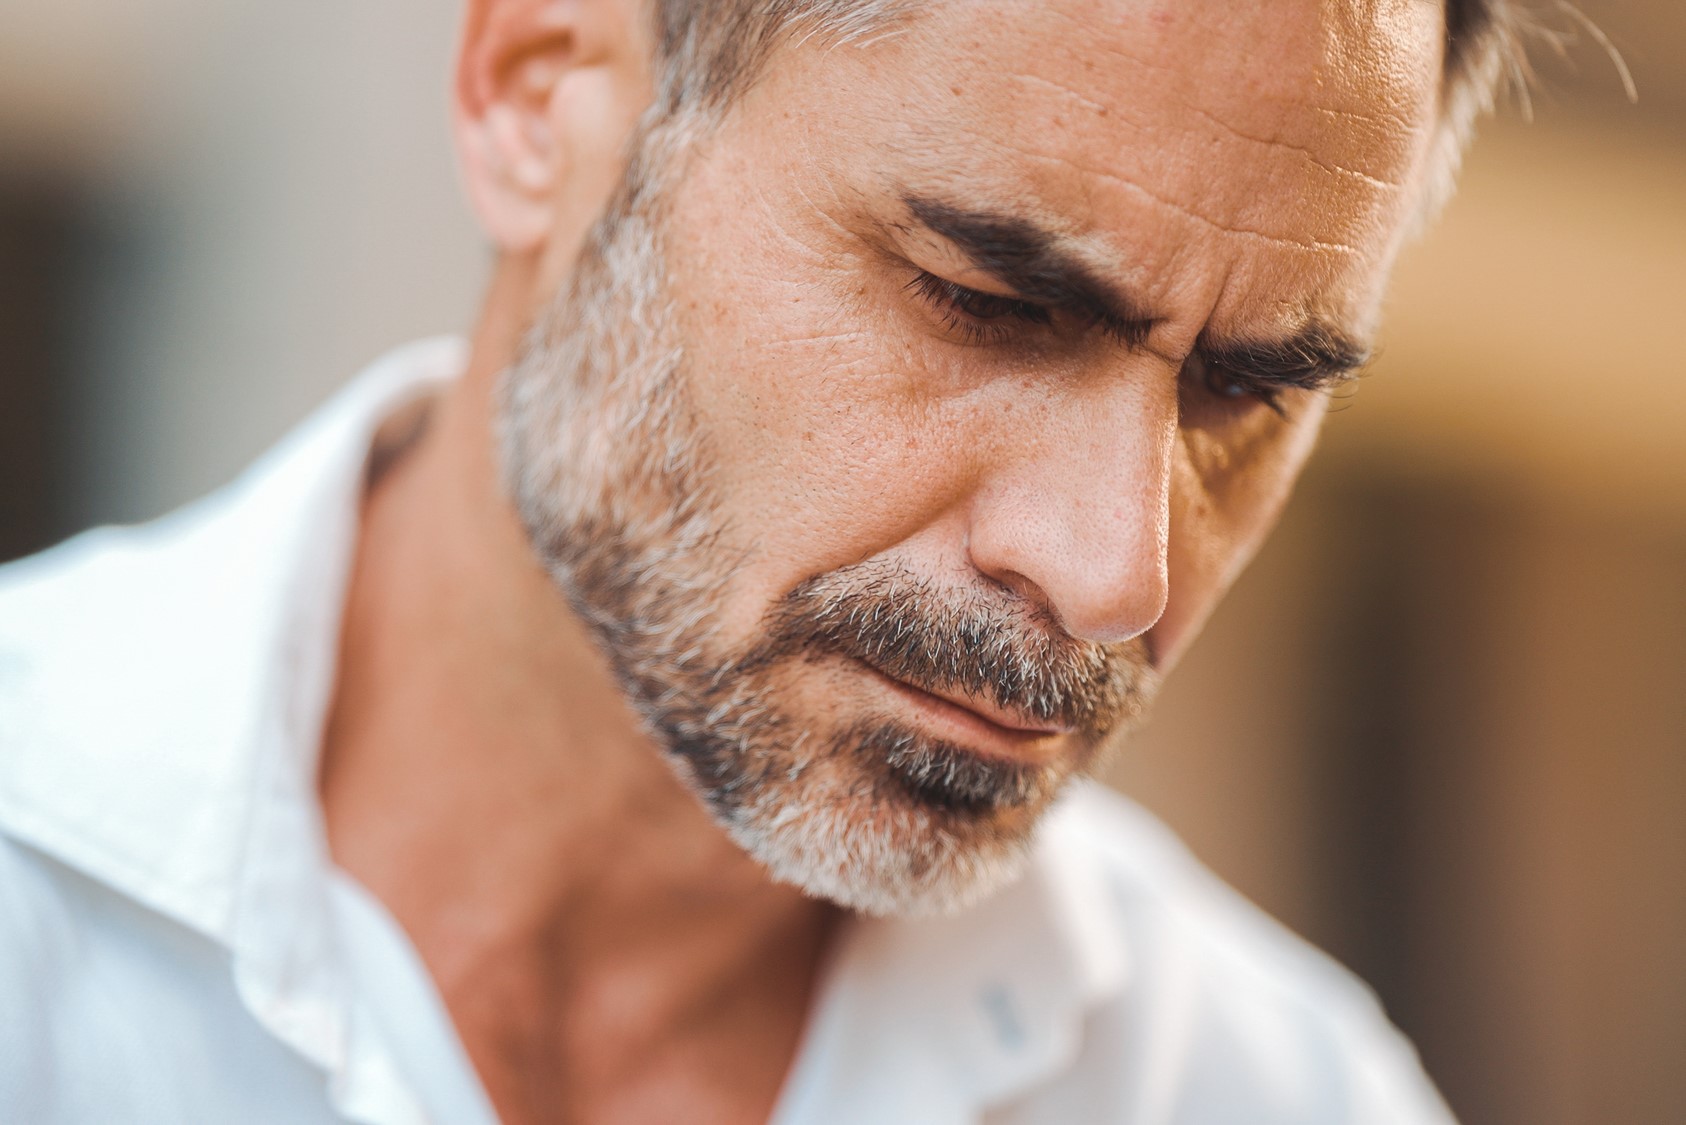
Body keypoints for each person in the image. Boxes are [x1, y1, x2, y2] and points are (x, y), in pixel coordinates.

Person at [0, 0, 1521, 1121]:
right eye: (983, 300)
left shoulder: (1272, 1092)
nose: (1112, 570)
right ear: (542, 98)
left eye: (1243, 390)